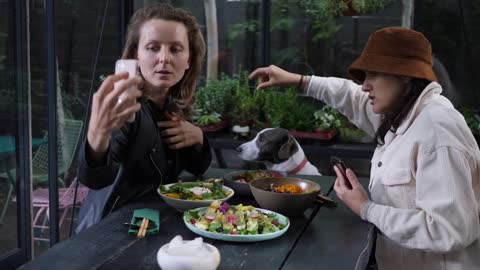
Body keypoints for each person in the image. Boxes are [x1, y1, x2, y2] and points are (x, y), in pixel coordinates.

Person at [249, 27, 480, 269]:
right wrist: (300, 81)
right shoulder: (404, 111)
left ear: (406, 76)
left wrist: (367, 209)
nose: (364, 86)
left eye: (373, 75)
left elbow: (449, 230)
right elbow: (350, 95)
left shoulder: (437, 132)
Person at [75, 4, 212, 232]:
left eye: (176, 49)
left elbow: (197, 167)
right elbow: (96, 179)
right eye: (153, 47)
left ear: (189, 59)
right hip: (109, 232)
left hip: (151, 226)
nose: (164, 58)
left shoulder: (172, 105)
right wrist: (97, 142)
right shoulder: (129, 107)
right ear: (135, 55)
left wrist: (198, 137)